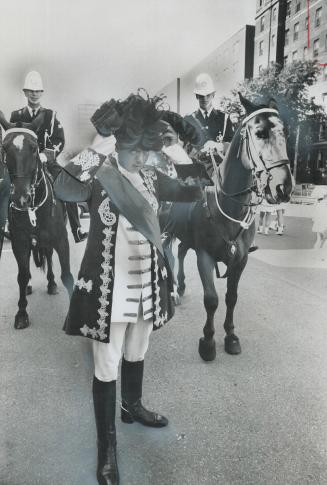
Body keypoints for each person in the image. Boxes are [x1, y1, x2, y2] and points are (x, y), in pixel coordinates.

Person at [53, 93, 203, 485]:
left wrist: (175, 147)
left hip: (146, 287)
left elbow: (194, 188)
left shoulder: (153, 177)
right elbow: (62, 188)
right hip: (109, 291)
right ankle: (107, 450)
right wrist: (100, 141)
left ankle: (132, 405)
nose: (140, 159)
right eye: (134, 150)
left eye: (146, 151)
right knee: (107, 365)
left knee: (139, 349)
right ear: (119, 146)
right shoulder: (100, 176)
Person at [5, 70, 87, 243]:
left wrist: (46, 155)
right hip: (23, 163)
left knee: (67, 185)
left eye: (37, 91)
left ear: (42, 93)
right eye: (31, 91)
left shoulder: (51, 115)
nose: (34, 94)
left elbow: (59, 139)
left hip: (45, 161)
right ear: (25, 92)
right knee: (7, 183)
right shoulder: (16, 115)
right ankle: (7, 224)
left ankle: (76, 228)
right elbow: (12, 139)